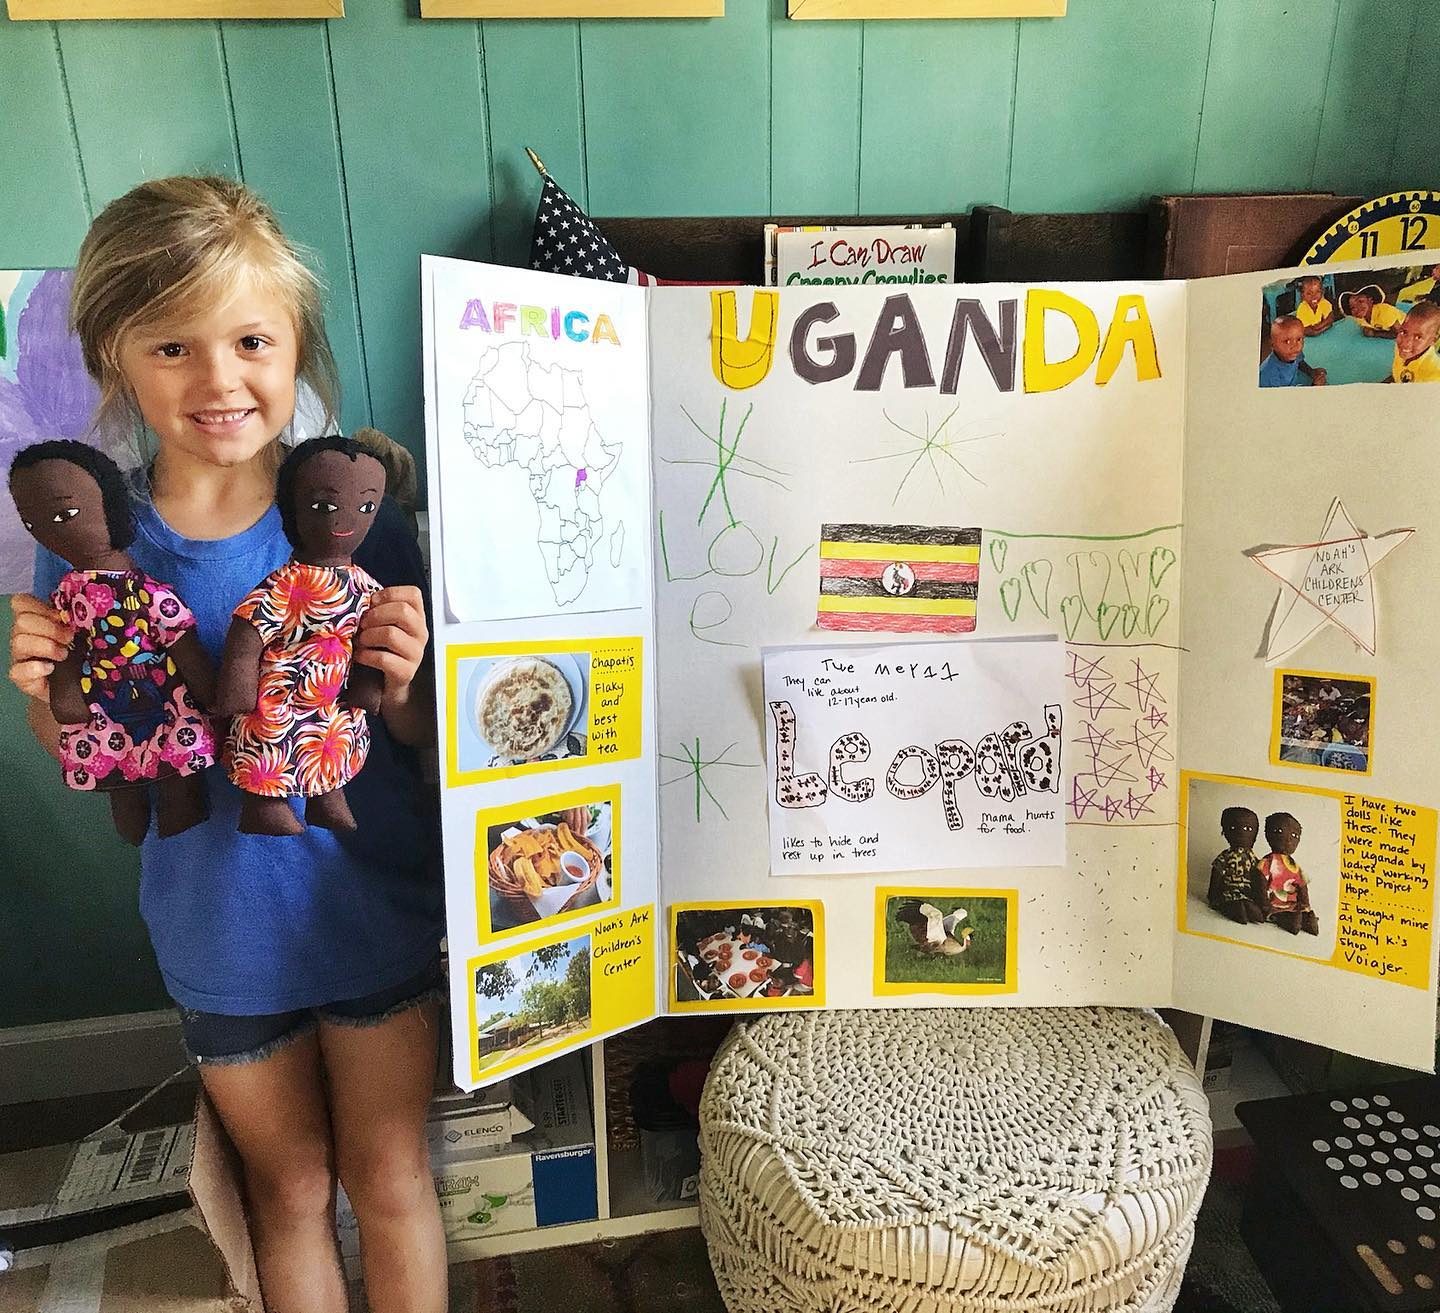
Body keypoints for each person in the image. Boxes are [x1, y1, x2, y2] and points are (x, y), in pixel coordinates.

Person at [7, 177, 446, 1313]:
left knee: (390, 1171)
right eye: (172, 346)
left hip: (371, 899)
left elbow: (411, 735)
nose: (218, 379)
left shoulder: (358, 512)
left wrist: (407, 678)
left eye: (251, 340)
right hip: (218, 929)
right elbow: (78, 744)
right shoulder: (89, 536)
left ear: (295, 345)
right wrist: (44, 693)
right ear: (114, 359)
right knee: (288, 1186)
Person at [1259, 316, 1326, 387]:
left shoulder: (1293, 352)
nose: (1295, 346)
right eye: (1287, 341)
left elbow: (1300, 362)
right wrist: (1314, 386)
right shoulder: (1268, 375)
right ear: (1272, 344)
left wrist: (1311, 372)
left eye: (1299, 339)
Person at [1389, 302, 1440, 383]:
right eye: (1403, 332)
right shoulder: (1401, 349)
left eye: (1418, 337)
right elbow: (1397, 373)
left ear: (1434, 340)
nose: (1406, 343)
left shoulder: (1434, 376)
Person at [1339, 284, 1406, 338]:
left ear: (1371, 300)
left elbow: (1398, 333)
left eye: (1361, 301)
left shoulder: (1385, 312)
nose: (1357, 308)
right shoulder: (1359, 317)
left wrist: (1375, 333)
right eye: (1352, 307)